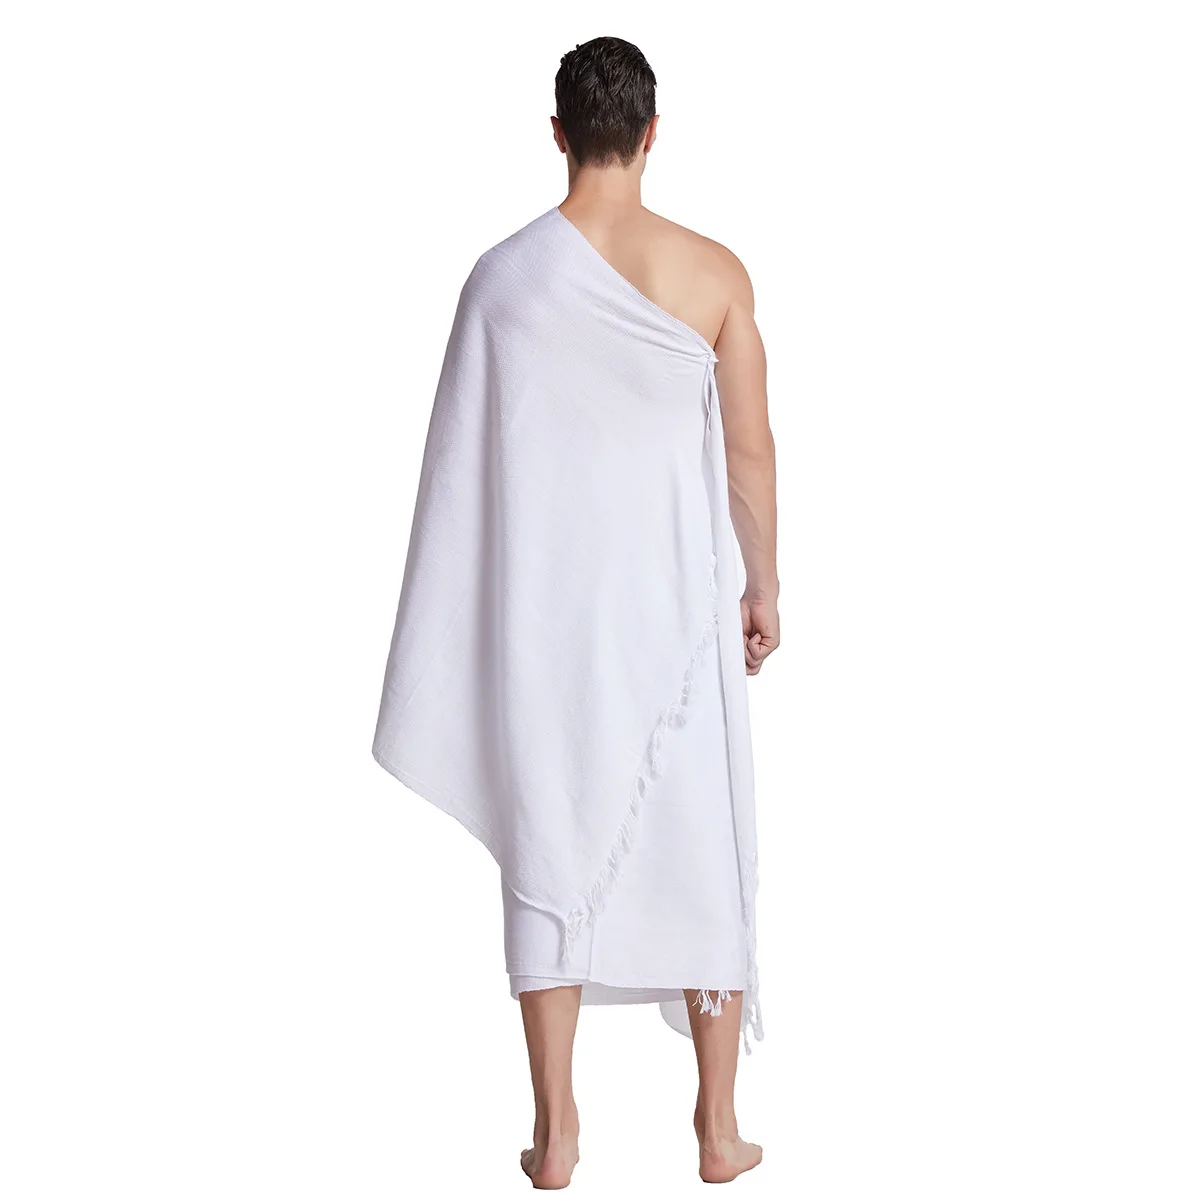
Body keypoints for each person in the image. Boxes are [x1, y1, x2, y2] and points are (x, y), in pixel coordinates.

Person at [373, 36, 778, 1187]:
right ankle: (717, 1132)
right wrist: (763, 585)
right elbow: (750, 454)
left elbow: (462, 471)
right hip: (679, 619)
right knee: (701, 846)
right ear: (651, 134)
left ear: (558, 133)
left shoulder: (503, 280)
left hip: (545, 620)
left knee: (549, 839)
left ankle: (556, 1134)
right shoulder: (713, 274)